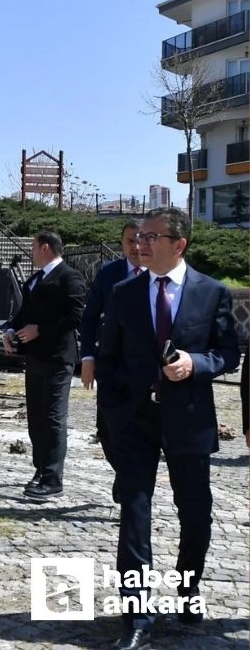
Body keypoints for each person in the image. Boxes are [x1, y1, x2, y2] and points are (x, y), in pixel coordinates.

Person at [95, 208, 239, 650]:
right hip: (135, 419)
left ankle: (188, 587)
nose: (141, 243)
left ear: (179, 244)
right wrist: (111, 415)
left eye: (153, 236)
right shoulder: (124, 292)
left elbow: (228, 353)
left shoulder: (211, 292)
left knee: (194, 513)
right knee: (134, 513)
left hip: (189, 418)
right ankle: (137, 614)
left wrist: (196, 363)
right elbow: (110, 358)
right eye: (140, 235)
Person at [2, 230, 87, 500]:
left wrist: (41, 330)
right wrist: (9, 331)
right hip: (35, 357)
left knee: (52, 418)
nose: (31, 252)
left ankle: (53, 478)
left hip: (58, 357)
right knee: (36, 417)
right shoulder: (35, 280)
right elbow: (23, 314)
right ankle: (40, 470)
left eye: (34, 247)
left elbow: (76, 315)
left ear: (46, 248)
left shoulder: (69, 277)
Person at [78, 219, 144, 502]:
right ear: (122, 243)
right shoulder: (109, 274)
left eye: (141, 239)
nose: (136, 246)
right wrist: (88, 357)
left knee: (141, 428)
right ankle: (127, 472)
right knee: (106, 429)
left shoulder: (159, 273)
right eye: (130, 240)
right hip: (110, 363)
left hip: (145, 368)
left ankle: (134, 484)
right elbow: (89, 316)